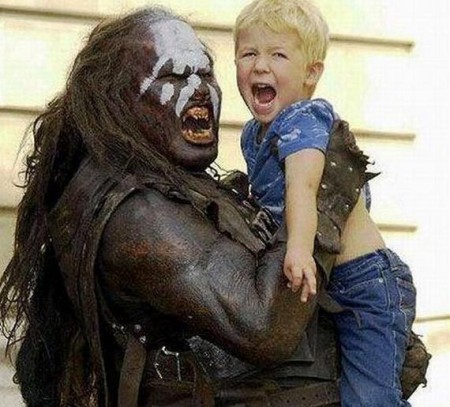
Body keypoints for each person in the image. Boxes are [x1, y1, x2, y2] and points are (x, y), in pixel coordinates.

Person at [0, 5, 427, 407]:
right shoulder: (139, 213)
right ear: (118, 98)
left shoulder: (173, 180)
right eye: (174, 76)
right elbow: (263, 325)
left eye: (205, 73)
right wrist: (324, 185)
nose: (199, 88)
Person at [234, 0, 418, 405]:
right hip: (324, 280)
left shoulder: (304, 118)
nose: (260, 65)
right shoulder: (252, 135)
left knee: (371, 398)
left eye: (278, 55)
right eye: (248, 54)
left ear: (311, 73)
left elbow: (303, 186)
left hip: (364, 284)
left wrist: (299, 248)